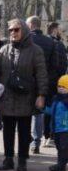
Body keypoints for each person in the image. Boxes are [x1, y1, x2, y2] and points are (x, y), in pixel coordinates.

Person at [0, 18, 47, 171]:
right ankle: (8, 159)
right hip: (7, 97)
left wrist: (41, 95)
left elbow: (41, 75)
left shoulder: (36, 50)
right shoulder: (4, 50)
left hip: (25, 97)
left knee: (24, 130)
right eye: (10, 30)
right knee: (7, 130)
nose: (13, 33)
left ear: (24, 31)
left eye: (16, 29)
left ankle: (22, 160)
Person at [26, 16, 57, 154]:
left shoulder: (25, 41)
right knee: (38, 113)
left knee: (24, 112)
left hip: (26, 82)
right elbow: (55, 65)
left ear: (31, 25)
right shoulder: (50, 42)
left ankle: (28, 138)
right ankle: (36, 142)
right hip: (43, 82)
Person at [43, 21, 67, 149]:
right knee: (54, 110)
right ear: (54, 30)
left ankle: (42, 137)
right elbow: (62, 65)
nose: (61, 33)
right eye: (60, 30)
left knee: (43, 111)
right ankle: (51, 137)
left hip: (42, 81)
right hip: (54, 82)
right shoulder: (58, 44)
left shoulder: (42, 43)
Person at [46, 75, 68, 171]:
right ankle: (61, 167)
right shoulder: (56, 99)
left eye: (63, 87)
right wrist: (43, 109)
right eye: (59, 86)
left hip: (65, 129)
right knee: (59, 148)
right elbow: (52, 111)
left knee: (64, 148)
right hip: (57, 129)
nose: (60, 88)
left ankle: (60, 165)